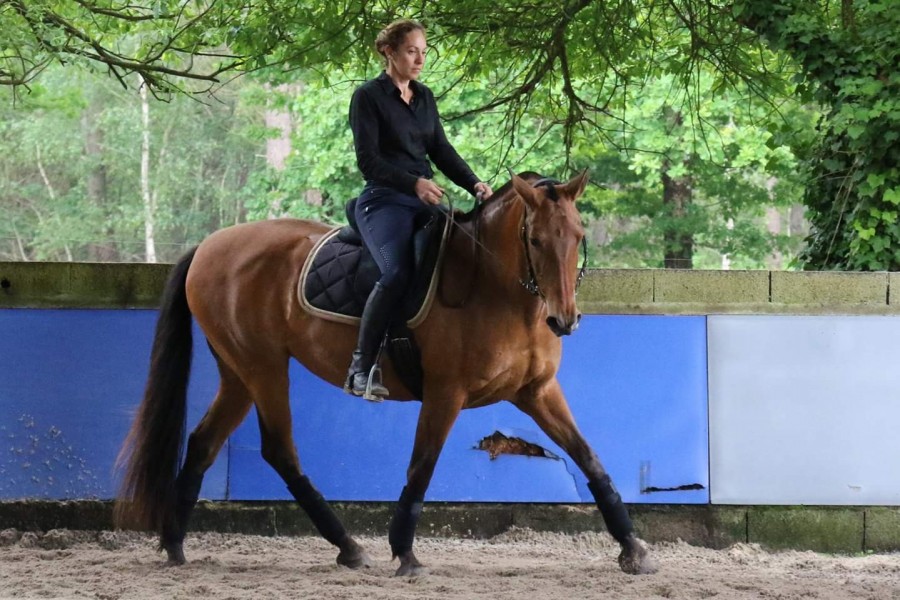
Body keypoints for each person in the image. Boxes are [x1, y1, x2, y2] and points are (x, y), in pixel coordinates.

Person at [345, 18, 493, 400]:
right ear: (389, 52)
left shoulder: (425, 97)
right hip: (383, 200)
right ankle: (360, 368)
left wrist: (474, 183)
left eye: (424, 52)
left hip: (425, 200)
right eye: (412, 51)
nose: (420, 59)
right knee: (395, 273)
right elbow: (368, 161)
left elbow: (440, 150)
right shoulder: (368, 96)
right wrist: (413, 183)